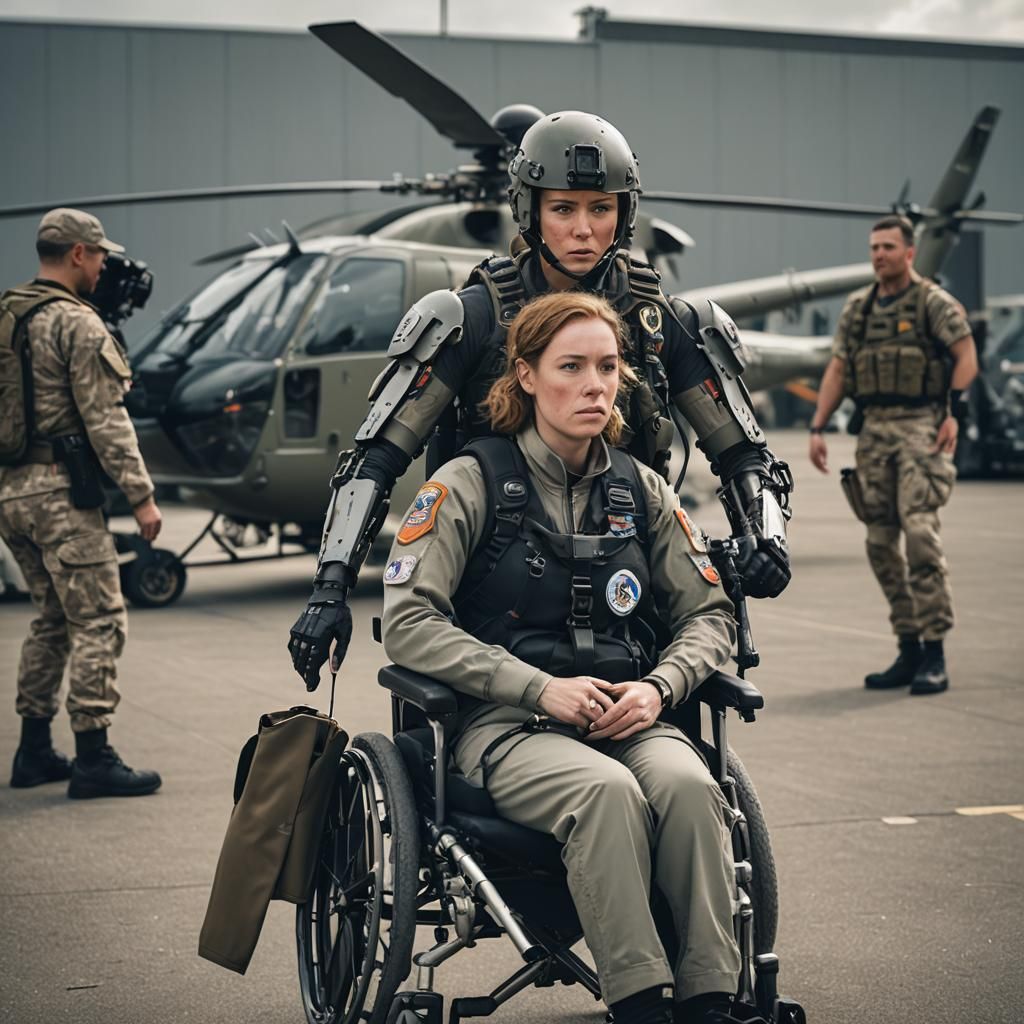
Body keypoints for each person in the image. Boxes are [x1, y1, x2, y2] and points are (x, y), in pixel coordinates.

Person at [289, 109, 792, 690]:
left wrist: (766, 537)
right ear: (530, 211)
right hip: (494, 582)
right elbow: (376, 456)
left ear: (624, 214)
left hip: (626, 576)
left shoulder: (662, 322)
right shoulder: (473, 317)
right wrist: (330, 588)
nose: (583, 230)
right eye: (563, 209)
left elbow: (743, 453)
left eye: (600, 209)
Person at [382, 291, 748, 1024]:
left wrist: (659, 688)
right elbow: (409, 622)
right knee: (606, 794)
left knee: (689, 785)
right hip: (506, 726)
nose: (594, 386)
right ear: (525, 375)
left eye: (608, 368)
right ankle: (641, 1003)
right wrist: (537, 688)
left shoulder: (642, 490)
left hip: (628, 715)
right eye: (571, 367)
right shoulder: (467, 484)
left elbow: (711, 616)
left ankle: (712, 999)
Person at [1, 208, 163, 797]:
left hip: (12, 494)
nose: (101, 268)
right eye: (97, 256)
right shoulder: (75, 321)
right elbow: (106, 420)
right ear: (76, 253)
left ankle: (33, 751)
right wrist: (142, 497)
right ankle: (93, 757)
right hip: (60, 497)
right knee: (98, 619)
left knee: (51, 619)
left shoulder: (8, 314)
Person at [808, 214, 978, 695]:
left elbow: (966, 356)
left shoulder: (931, 303)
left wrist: (954, 412)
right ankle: (909, 645)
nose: (879, 255)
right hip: (874, 432)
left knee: (920, 533)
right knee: (880, 543)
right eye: (874, 247)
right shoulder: (859, 308)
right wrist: (818, 426)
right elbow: (839, 369)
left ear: (909, 252)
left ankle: (935, 649)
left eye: (888, 247)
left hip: (921, 426)